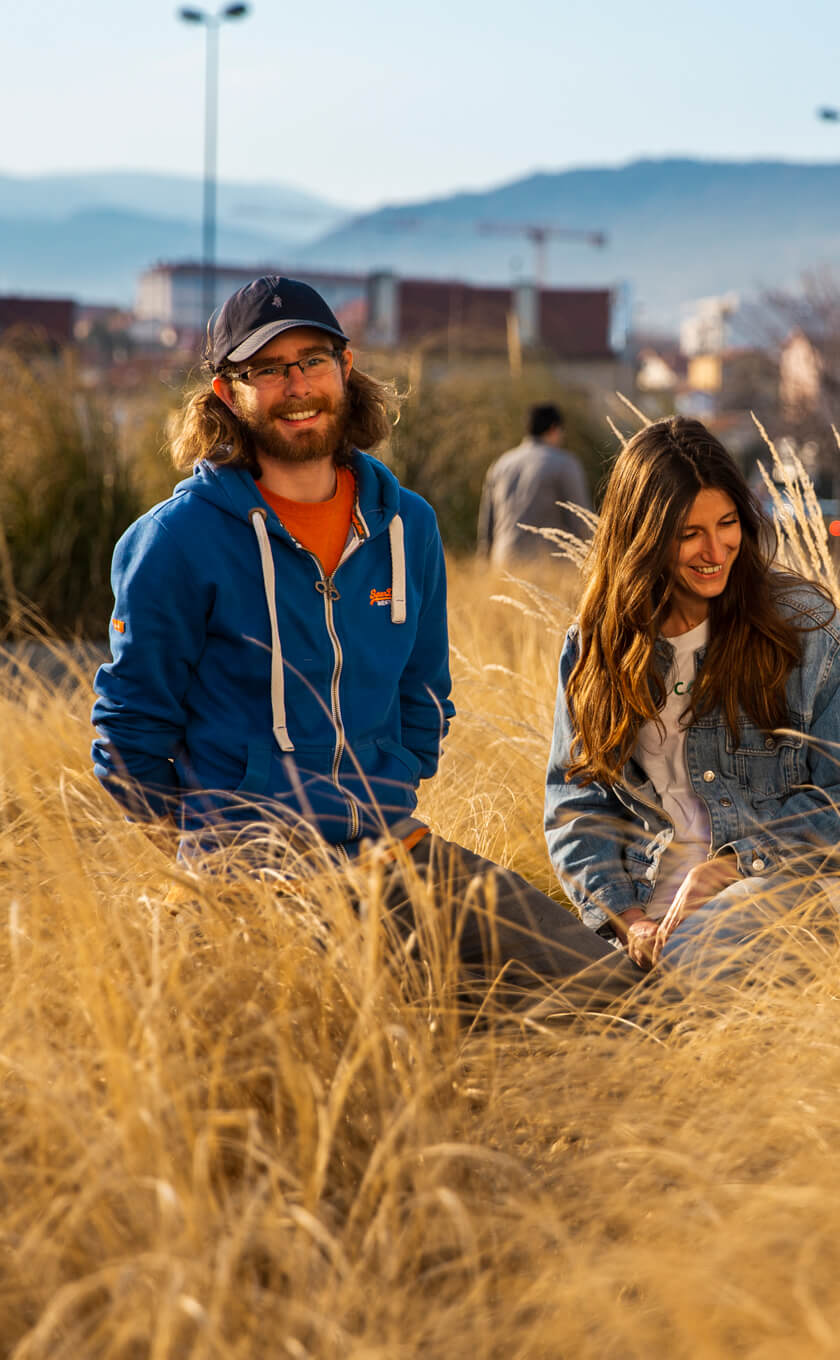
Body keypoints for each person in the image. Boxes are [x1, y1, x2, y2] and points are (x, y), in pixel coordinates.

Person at [91, 275, 639, 1006]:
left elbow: (424, 693)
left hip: (394, 854)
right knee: (373, 1034)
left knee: (615, 994)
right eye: (267, 370)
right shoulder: (174, 543)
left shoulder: (406, 525)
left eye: (312, 360)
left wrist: (383, 790)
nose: (296, 386)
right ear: (227, 393)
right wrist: (208, 863)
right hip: (254, 883)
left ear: (346, 370)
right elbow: (129, 738)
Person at [544, 416, 840, 988]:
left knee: (691, 971)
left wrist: (731, 866)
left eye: (727, 524)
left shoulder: (807, 630)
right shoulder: (597, 645)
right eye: (688, 534)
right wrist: (629, 923)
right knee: (513, 972)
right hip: (642, 910)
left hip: (778, 890)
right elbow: (577, 805)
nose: (715, 551)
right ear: (644, 539)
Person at [477, 403, 592, 566]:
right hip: (548, 566)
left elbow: (486, 525)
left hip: (503, 562)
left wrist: (483, 563)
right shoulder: (565, 464)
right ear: (554, 428)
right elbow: (582, 522)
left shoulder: (501, 464)